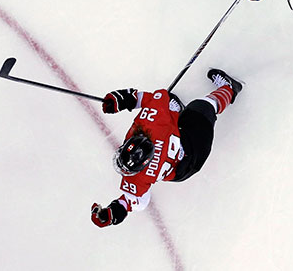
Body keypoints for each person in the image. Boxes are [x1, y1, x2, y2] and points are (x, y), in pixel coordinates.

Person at [90, 69, 242, 228]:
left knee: (180, 112)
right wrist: (122, 100)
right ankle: (230, 89)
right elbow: (149, 99)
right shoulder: (151, 123)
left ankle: (176, 110)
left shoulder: (138, 179)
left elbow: (137, 202)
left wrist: (112, 213)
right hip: (193, 154)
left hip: (178, 155)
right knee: (205, 106)